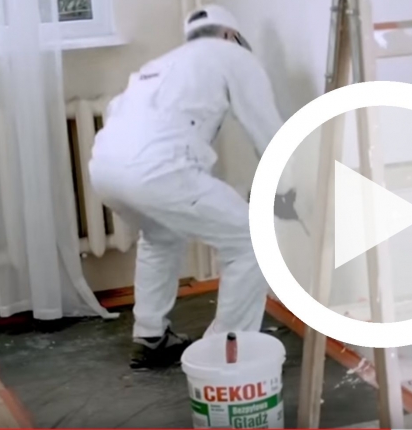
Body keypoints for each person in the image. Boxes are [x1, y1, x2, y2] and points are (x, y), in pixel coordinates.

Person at [88, 4, 293, 369]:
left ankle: (151, 337)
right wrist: (291, 184)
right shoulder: (233, 55)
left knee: (160, 235)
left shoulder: (159, 65)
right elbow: (267, 131)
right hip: (158, 171)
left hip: (105, 169)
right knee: (252, 239)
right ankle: (227, 352)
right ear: (230, 35)